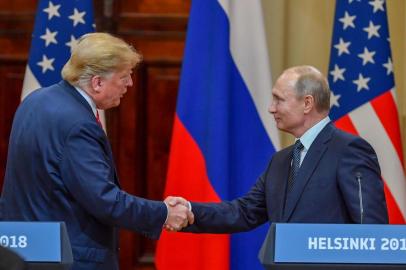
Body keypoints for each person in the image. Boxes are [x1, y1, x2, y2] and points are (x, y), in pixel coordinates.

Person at [0, 32, 193, 270]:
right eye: (124, 76)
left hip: (25, 252)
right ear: (97, 82)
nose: (130, 84)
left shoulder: (35, 100)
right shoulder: (77, 123)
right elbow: (105, 201)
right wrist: (162, 213)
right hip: (70, 260)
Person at [166, 65, 388, 234]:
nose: (271, 109)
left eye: (279, 100)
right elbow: (243, 212)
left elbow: (371, 233)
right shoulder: (281, 161)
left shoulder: (349, 150)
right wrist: (189, 210)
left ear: (307, 103)